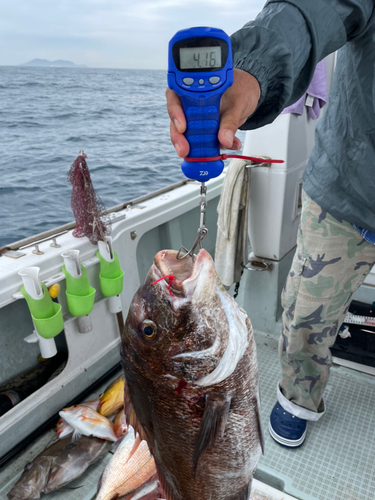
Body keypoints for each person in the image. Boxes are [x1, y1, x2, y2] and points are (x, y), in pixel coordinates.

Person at [166, 0, 375, 448]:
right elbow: (310, 10)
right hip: (348, 195)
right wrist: (250, 70)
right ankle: (298, 397)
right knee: (305, 317)